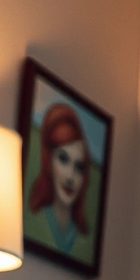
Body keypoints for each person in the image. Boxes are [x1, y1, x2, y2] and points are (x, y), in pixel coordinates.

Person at [24, 103, 95, 260]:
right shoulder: (34, 220)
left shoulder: (83, 239)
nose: (71, 176)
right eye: (63, 159)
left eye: (79, 167)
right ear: (49, 161)